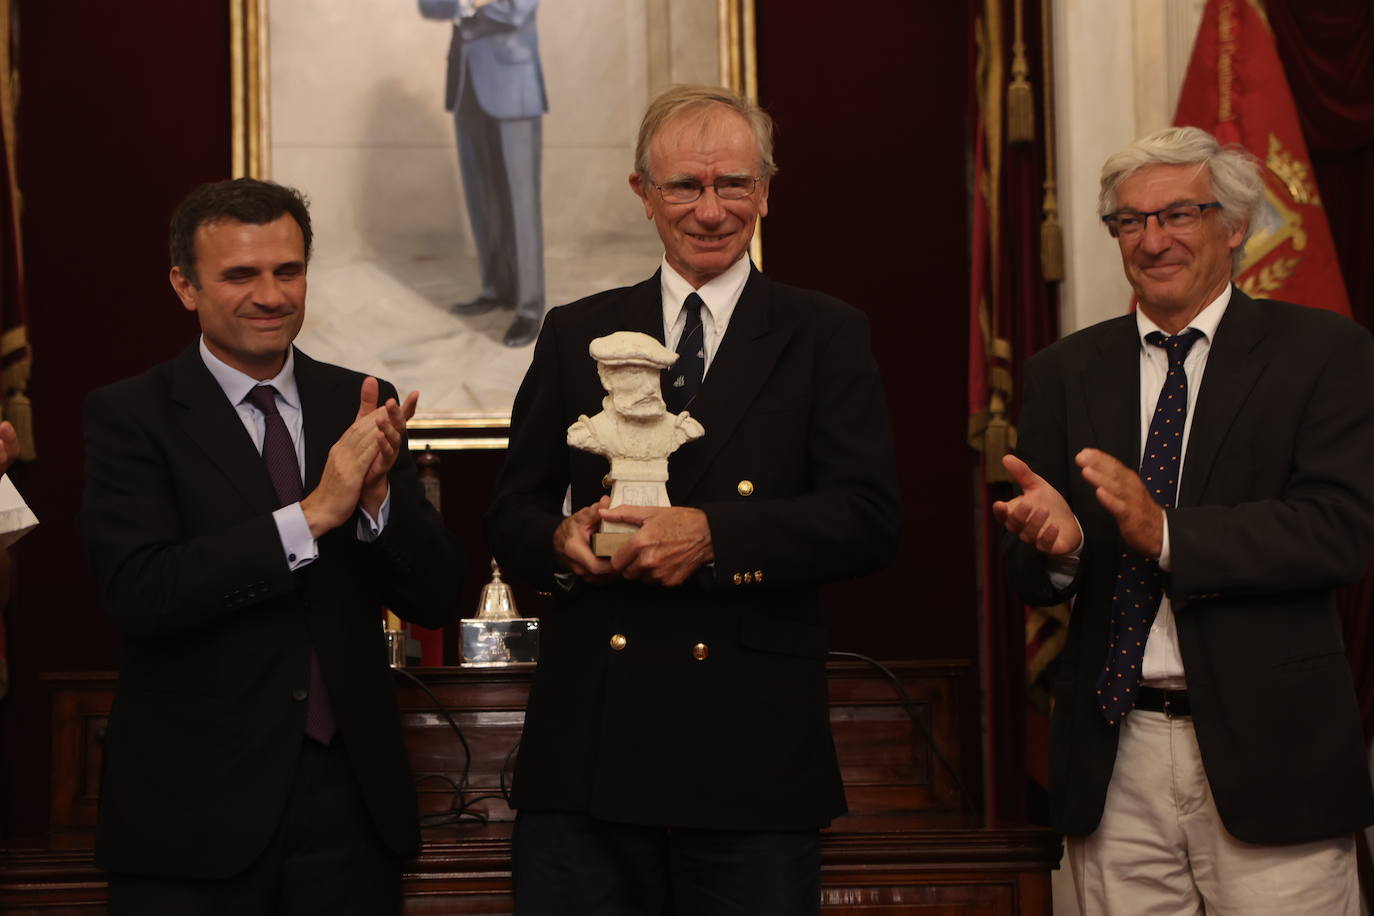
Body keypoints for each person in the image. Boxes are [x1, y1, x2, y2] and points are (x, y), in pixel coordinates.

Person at [485, 85, 902, 914]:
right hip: (590, 749)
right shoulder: (578, 331)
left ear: (767, 191)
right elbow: (510, 511)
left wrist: (716, 535)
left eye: (733, 185)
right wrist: (561, 543)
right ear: (643, 195)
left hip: (750, 754)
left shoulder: (825, 333)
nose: (711, 211)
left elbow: (868, 518)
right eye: (685, 186)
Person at [995, 126, 1374, 915]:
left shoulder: (1323, 353)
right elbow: (1030, 572)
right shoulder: (1063, 371)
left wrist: (1167, 534)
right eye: (1130, 222)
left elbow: (1340, 530)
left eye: (1178, 215)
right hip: (1115, 756)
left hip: (1272, 757)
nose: (1153, 240)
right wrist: (1057, 552)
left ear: (1234, 227)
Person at [80, 178, 465, 915]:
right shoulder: (130, 416)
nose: (270, 294)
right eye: (240, 275)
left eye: (288, 271)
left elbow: (435, 596)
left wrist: (380, 503)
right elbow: (141, 593)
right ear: (184, 286)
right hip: (193, 817)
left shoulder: (358, 401)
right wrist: (315, 514)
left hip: (348, 809)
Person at [419, 0, 547, 348]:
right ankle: (496, 289)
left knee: (520, 203)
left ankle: (530, 307)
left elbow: (515, 10)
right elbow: (428, 6)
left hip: (514, 84)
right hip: (465, 86)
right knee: (481, 197)